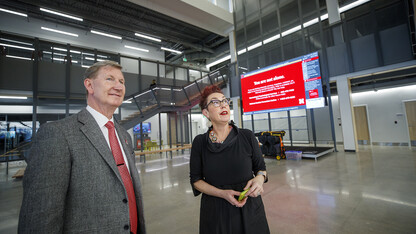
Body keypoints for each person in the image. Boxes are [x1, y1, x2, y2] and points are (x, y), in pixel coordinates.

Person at [18, 60, 146, 234]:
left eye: (122, 81)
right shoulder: (58, 134)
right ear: (89, 85)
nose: (119, 86)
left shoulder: (124, 136)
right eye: (110, 79)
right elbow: (41, 215)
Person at [189, 85, 270, 234]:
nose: (223, 105)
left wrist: (259, 179)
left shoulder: (247, 136)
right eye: (215, 102)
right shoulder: (200, 142)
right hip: (216, 212)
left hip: (249, 209)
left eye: (224, 101)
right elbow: (196, 180)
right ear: (206, 112)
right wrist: (222, 193)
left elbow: (260, 168)